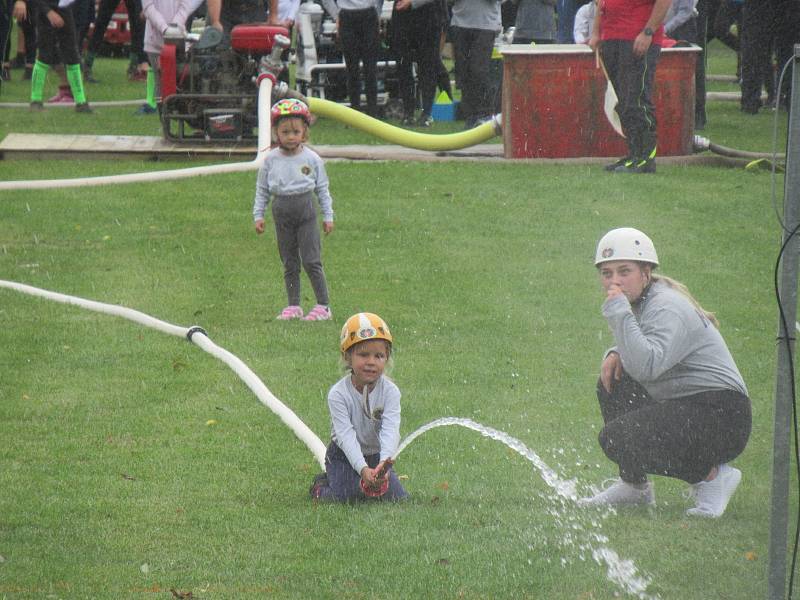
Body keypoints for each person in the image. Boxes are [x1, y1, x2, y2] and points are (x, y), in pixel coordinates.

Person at [579, 228, 752, 518]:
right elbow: (643, 346)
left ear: (646, 272)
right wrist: (615, 351)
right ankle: (633, 486)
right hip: (695, 405)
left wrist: (619, 313)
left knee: (615, 439)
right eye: (606, 273)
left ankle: (712, 477)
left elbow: (648, 366)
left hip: (723, 417)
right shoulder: (645, 300)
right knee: (613, 381)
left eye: (624, 271)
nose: (614, 281)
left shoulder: (666, 305)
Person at [309, 312, 408, 502]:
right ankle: (321, 486)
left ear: (386, 358)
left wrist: (383, 465)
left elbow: (391, 430)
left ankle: (363, 476)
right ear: (347, 356)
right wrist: (362, 469)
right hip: (342, 456)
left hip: (376, 456)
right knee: (348, 496)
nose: (371, 362)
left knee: (397, 498)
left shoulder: (391, 392)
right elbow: (346, 436)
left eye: (379, 356)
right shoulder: (338, 395)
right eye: (363, 354)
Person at [252, 99, 334, 322]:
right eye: (285, 131)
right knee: (289, 261)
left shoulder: (312, 159)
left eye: (296, 131)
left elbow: (322, 189)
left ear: (304, 132)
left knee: (311, 259)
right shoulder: (270, 160)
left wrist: (328, 216)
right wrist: (258, 215)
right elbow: (262, 189)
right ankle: (293, 305)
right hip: (281, 212)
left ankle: (323, 305)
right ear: (276, 132)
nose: (290, 136)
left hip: (305, 211)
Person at [588, 0, 672, 174]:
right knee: (622, 100)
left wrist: (648, 32)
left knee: (637, 99)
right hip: (612, 38)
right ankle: (634, 153)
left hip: (637, 37)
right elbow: (601, 4)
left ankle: (646, 157)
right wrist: (596, 32)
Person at [19, 0, 92, 112]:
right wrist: (49, 12)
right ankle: (35, 101)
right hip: (46, 12)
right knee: (44, 57)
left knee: (73, 57)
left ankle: (81, 102)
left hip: (65, 9)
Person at [320, 0, 382, 117]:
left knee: (370, 68)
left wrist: (377, 13)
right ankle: (354, 112)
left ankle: (373, 112)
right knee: (352, 68)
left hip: (369, 14)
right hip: (347, 16)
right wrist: (337, 15)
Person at [391, 0, 448, 127]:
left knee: (428, 66)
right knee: (403, 65)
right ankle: (408, 113)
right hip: (402, 18)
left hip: (428, 16)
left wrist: (412, 2)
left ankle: (426, 113)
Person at [450, 0, 502, 129]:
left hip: (485, 25)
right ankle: (470, 115)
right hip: (460, 24)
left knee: (479, 70)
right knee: (464, 72)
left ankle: (485, 114)